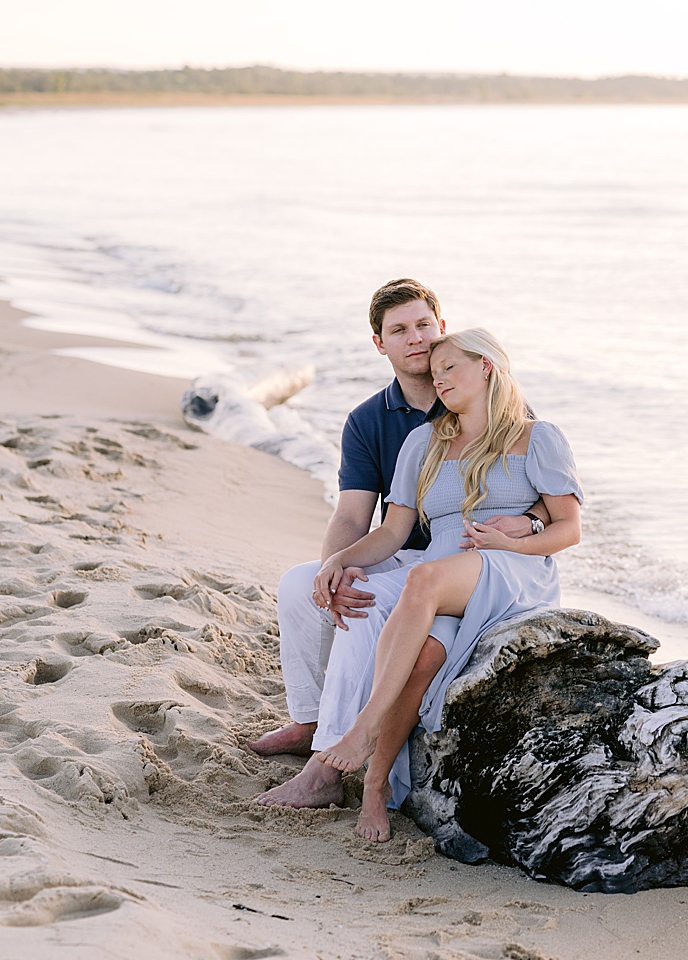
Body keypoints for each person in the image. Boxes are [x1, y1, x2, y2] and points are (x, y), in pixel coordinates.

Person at [262, 328, 583, 842]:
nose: (439, 379)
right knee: (406, 634)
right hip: (440, 577)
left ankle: (362, 728)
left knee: (424, 577)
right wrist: (337, 563)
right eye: (434, 373)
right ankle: (374, 786)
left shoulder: (536, 436)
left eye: (450, 368)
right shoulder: (424, 442)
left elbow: (570, 528)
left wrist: (516, 540)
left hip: (512, 574)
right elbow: (392, 532)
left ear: (486, 367)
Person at [249, 281, 545, 761]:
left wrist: (526, 525)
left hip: (468, 563)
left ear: (442, 327)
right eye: (399, 330)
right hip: (401, 550)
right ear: (379, 344)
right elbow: (352, 514)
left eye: (424, 325)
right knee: (300, 584)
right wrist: (334, 569)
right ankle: (309, 721)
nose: (416, 339)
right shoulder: (368, 420)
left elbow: (543, 496)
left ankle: (333, 752)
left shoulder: (494, 400)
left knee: (364, 602)